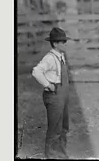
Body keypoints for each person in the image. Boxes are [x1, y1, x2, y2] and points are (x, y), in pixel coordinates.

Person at [31, 27, 71, 159]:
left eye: (65, 41)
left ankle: (62, 154)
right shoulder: (49, 58)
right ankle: (52, 156)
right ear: (55, 43)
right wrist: (48, 85)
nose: (65, 44)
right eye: (62, 42)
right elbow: (36, 72)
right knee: (55, 129)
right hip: (54, 96)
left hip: (63, 94)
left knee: (64, 127)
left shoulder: (61, 56)